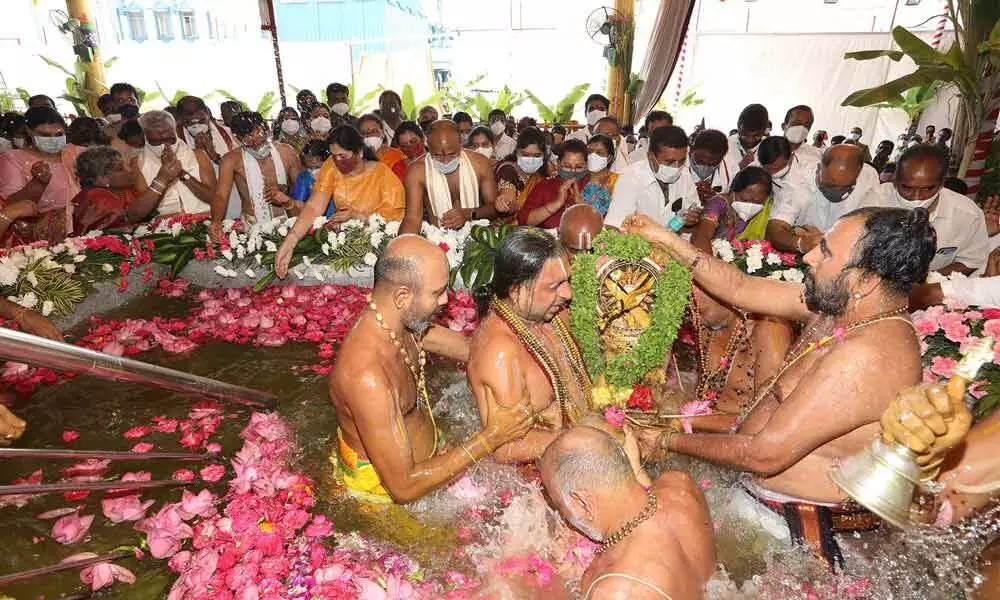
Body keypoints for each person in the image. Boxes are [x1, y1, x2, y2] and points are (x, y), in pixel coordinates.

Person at [625, 205, 935, 566]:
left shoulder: (870, 354)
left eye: (827, 252)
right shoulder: (842, 309)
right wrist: (666, 239)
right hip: (764, 507)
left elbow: (764, 454)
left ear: (864, 281)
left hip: (797, 539)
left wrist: (664, 439)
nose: (809, 255)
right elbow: (742, 287)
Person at [328, 235, 533, 503]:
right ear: (402, 296)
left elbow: (473, 350)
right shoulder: (366, 377)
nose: (446, 300)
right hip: (387, 496)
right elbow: (403, 488)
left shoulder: (405, 324)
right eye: (436, 293)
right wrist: (492, 436)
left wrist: (525, 345)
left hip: (429, 457)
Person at [540, 427, 715, 600]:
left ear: (581, 503)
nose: (563, 517)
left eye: (559, 506)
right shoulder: (680, 485)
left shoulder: (616, 592)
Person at [467, 228, 591, 463]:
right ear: (517, 291)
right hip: (537, 476)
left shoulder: (552, 314)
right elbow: (505, 449)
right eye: (554, 286)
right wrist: (589, 440)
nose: (568, 293)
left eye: (567, 281)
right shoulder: (500, 353)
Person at [274, 126, 404, 276]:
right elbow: (314, 206)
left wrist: (357, 216)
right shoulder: (331, 166)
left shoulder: (382, 174)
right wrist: (291, 240)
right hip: (342, 244)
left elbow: (395, 217)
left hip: (377, 247)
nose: (337, 161)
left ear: (359, 152)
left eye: (343, 156)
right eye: (333, 155)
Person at [880, 144, 988, 275]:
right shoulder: (874, 200)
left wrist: (926, 282)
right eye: (907, 188)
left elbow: (971, 262)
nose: (916, 197)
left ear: (942, 184)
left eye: (927, 189)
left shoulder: (968, 216)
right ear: (895, 180)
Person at [766, 144, 883, 253]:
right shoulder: (798, 181)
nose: (837, 192)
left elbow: (871, 225)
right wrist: (800, 243)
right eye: (830, 185)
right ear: (819, 169)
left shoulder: (869, 177)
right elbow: (776, 227)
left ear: (859, 174)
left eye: (846, 187)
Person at [0, 106, 83, 245]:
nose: (53, 139)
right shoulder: (13, 159)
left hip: (84, 225)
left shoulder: (76, 153)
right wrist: (38, 183)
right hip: (41, 236)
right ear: (29, 131)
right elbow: (13, 206)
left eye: (58, 135)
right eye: (45, 135)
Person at [400, 120, 499, 233]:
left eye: (451, 155)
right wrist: (401, 247)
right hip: (438, 241)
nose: (445, 161)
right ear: (428, 145)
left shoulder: (480, 163)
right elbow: (412, 219)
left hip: (477, 239)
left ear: (461, 143)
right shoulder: (416, 170)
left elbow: (494, 208)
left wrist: (468, 214)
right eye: (437, 155)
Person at [211, 111, 301, 229]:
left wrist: (285, 189)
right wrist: (216, 222)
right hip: (252, 226)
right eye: (247, 137)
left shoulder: (287, 152)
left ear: (266, 128)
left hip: (288, 221)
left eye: (257, 133)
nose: (254, 140)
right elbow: (221, 195)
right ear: (238, 138)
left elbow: (301, 189)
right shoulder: (230, 160)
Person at [604, 125, 700, 230]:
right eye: (669, 162)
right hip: (639, 243)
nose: (676, 167)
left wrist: (691, 219)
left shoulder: (685, 174)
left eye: (681, 161)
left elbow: (693, 209)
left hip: (674, 243)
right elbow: (615, 225)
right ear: (650, 157)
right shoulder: (630, 177)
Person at [131, 110, 215, 218]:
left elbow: (213, 198)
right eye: (156, 142)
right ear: (145, 139)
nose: (165, 147)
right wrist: (163, 179)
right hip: (164, 228)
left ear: (175, 133)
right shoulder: (138, 163)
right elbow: (141, 213)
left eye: (170, 140)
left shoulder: (198, 155)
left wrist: (181, 174)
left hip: (203, 220)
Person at [69, 146, 162, 236]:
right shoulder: (96, 197)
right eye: (120, 169)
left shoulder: (124, 192)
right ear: (102, 178)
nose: (129, 170)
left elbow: (148, 210)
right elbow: (131, 216)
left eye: (127, 165)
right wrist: (162, 179)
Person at [691, 166, 772, 251]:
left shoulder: (761, 215)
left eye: (758, 202)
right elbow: (702, 236)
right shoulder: (717, 205)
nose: (751, 205)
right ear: (733, 190)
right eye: (745, 200)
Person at [517, 139, 589, 229]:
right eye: (567, 166)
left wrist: (582, 206)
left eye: (578, 167)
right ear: (558, 164)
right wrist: (557, 203)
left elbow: (602, 228)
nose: (572, 171)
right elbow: (524, 221)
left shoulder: (594, 188)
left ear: (586, 166)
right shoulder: (545, 187)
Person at [494, 126, 548, 220]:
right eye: (525, 155)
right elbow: (508, 196)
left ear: (544, 155)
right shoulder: (508, 170)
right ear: (516, 152)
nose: (531, 160)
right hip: (508, 229)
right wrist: (505, 203)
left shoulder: (541, 173)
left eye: (537, 156)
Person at [175, 96, 237, 166]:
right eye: (190, 123)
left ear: (207, 113)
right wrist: (199, 154)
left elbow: (240, 170)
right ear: (181, 120)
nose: (197, 126)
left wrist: (214, 155)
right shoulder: (176, 141)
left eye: (201, 121)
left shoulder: (228, 133)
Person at [355, 113, 407, 182]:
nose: (369, 135)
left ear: (382, 133)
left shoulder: (397, 156)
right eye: (363, 133)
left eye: (373, 131)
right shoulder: (356, 160)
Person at [723, 104, 770, 177]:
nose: (749, 140)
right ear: (738, 126)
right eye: (744, 135)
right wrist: (740, 167)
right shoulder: (725, 145)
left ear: (764, 130)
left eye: (756, 136)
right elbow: (719, 180)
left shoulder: (770, 147)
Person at [580, 133, 619, 216]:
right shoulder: (579, 178)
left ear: (609, 158)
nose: (593, 155)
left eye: (599, 152)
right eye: (589, 151)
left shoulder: (617, 181)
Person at [688, 129, 732, 201]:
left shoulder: (731, 169)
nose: (705, 167)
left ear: (722, 158)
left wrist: (715, 199)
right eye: (700, 162)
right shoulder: (674, 165)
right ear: (692, 150)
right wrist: (692, 197)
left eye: (712, 164)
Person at [289, 140, 330, 208]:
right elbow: (298, 202)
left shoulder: (339, 175)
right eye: (310, 168)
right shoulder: (304, 177)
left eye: (317, 167)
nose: (314, 171)